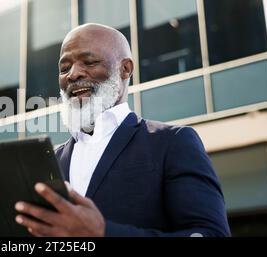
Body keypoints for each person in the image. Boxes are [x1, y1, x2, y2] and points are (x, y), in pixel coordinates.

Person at [14, 23, 231, 237]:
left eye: (89, 62)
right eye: (64, 68)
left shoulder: (173, 142)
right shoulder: (49, 159)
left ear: (125, 69)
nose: (73, 74)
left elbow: (211, 234)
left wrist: (103, 233)